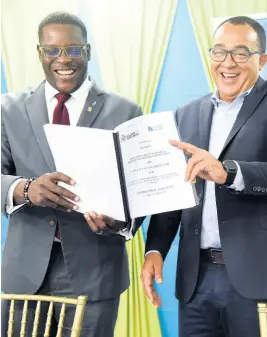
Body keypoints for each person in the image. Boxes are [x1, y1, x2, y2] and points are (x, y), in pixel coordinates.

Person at [141, 16, 267, 337]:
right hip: (196, 277)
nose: (228, 63)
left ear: (261, 60)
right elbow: (175, 189)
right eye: (219, 52)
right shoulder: (187, 114)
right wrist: (155, 249)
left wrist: (228, 173)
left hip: (259, 276)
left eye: (241, 53)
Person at [1, 11, 143, 337]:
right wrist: (25, 189)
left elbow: (137, 191)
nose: (63, 59)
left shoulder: (125, 111)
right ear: (40, 53)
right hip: (25, 272)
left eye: (73, 50)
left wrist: (120, 221)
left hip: (95, 270)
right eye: (52, 50)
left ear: (88, 52)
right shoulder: (8, 109)